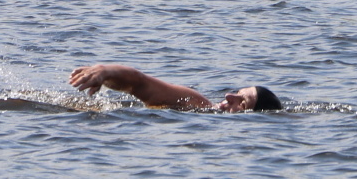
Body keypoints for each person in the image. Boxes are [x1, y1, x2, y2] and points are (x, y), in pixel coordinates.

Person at [69, 63, 284, 113]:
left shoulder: (199, 109)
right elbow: (140, 83)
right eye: (237, 92)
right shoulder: (197, 104)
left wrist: (105, 71)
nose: (229, 95)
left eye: (242, 101)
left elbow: (138, 81)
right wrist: (104, 71)